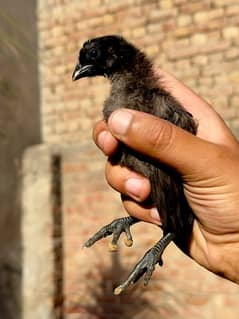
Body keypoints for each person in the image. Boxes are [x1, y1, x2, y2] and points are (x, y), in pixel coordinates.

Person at [92, 69, 239, 285]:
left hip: (188, 208)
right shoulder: (127, 104)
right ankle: (141, 225)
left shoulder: (155, 103)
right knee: (145, 190)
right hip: (206, 225)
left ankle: (159, 242)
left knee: (156, 189)